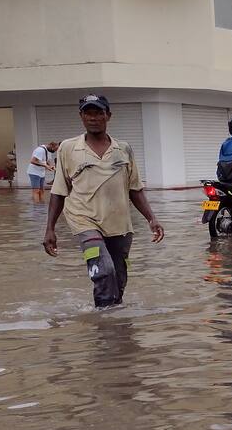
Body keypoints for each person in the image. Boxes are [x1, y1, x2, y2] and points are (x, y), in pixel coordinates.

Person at [42, 94, 164, 308]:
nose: (93, 118)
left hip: (119, 223)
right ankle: (103, 326)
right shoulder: (69, 148)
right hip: (84, 221)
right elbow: (59, 191)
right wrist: (50, 229)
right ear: (81, 116)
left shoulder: (123, 149)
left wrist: (151, 219)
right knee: (103, 270)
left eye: (98, 112)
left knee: (118, 279)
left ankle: (117, 328)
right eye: (88, 113)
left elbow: (135, 189)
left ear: (108, 116)